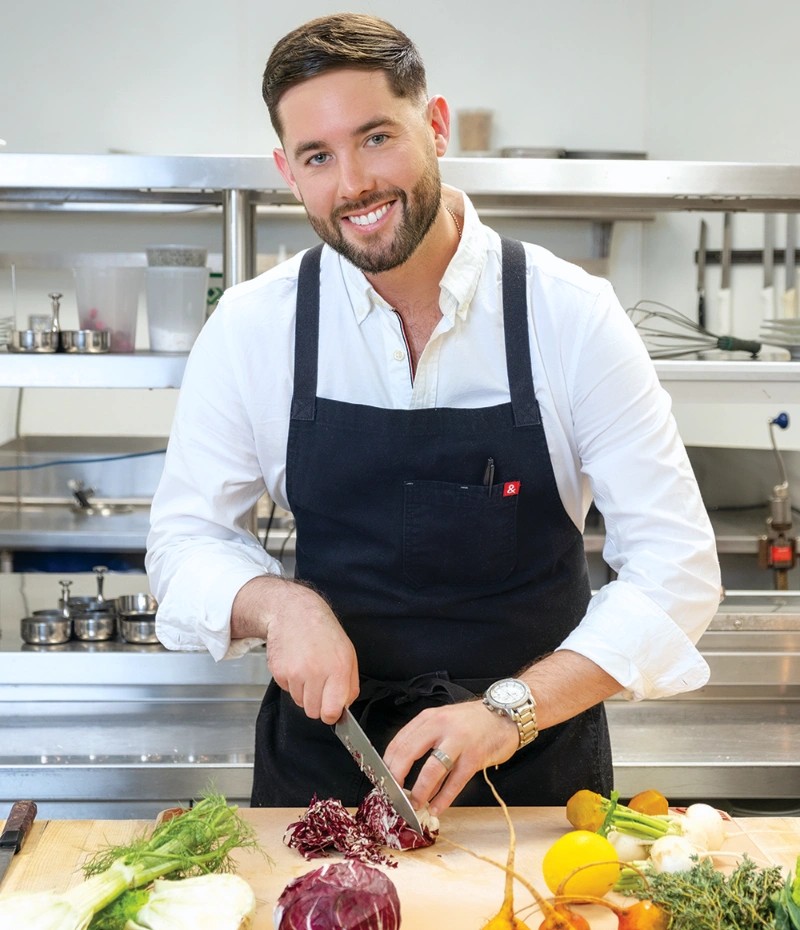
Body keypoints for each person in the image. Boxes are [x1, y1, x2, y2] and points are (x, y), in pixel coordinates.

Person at [146, 12, 720, 816]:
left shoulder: (570, 316)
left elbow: (677, 571)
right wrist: (280, 603)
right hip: (322, 777)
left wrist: (506, 712)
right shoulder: (253, 328)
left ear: (437, 125)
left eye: (377, 137)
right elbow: (183, 542)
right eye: (319, 156)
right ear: (288, 170)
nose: (353, 185)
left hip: (532, 777)